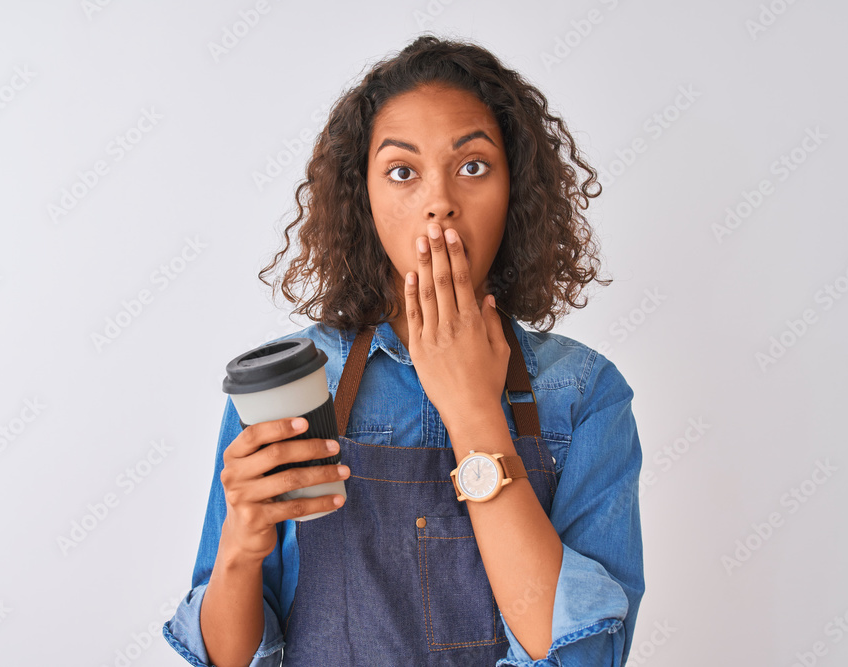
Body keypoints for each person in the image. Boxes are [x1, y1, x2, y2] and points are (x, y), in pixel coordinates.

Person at [163, 34, 645, 667]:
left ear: (516, 189)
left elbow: (585, 658)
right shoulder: (288, 384)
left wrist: (474, 411)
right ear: (363, 198)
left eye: (473, 166)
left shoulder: (584, 393)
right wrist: (239, 549)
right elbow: (228, 660)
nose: (439, 201)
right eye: (402, 172)